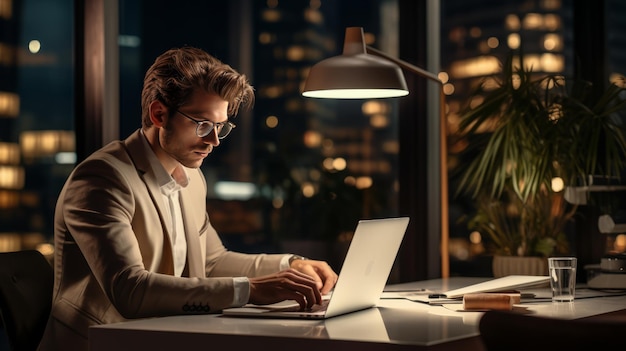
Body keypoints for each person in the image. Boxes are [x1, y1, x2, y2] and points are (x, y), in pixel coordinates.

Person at [38, 46, 338, 351]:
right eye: (203, 124)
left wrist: (291, 265)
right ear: (159, 114)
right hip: (99, 344)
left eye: (220, 126)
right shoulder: (102, 179)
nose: (214, 140)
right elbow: (130, 290)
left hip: (162, 338)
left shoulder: (192, 178)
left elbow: (213, 262)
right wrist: (251, 291)